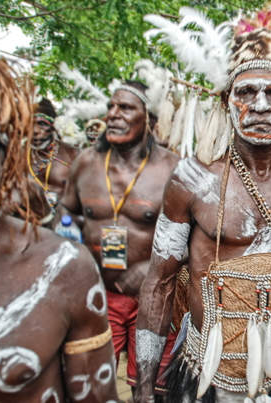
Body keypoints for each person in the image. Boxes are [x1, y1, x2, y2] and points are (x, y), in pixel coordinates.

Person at [136, 4, 271, 402]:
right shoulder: (192, 180)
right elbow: (159, 283)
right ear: (225, 101)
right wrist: (143, 387)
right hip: (207, 374)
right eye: (246, 93)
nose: (259, 106)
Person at [0, 50, 118, 402]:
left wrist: (63, 237)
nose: (40, 130)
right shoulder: (27, 160)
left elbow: (77, 204)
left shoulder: (72, 158)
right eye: (35, 124)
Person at [56, 79, 180, 400]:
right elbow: (66, 214)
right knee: (91, 386)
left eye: (125, 107)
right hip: (99, 296)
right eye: (111, 106)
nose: (113, 114)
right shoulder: (85, 163)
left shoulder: (172, 168)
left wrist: (156, 268)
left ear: (149, 120)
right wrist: (78, 256)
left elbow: (194, 235)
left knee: (151, 391)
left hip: (155, 300)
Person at [29, 98, 81, 216]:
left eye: (42, 124)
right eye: (29, 124)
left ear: (54, 125)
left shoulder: (74, 155)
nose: (35, 131)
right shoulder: (17, 157)